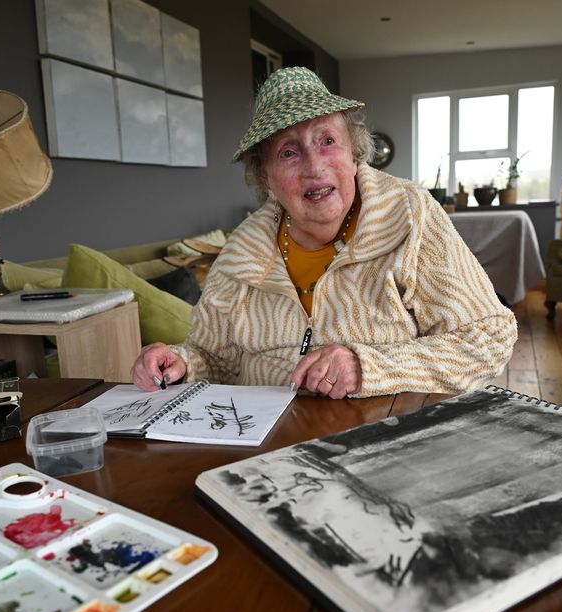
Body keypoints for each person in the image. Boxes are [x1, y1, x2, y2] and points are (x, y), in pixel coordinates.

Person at [131, 67, 516, 398]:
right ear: (266, 179)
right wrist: (181, 363)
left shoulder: (410, 216)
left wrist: (369, 368)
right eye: (288, 152)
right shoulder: (241, 254)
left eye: (327, 141)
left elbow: (488, 338)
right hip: (268, 452)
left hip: (391, 441)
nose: (314, 167)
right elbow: (213, 358)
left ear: (354, 153)